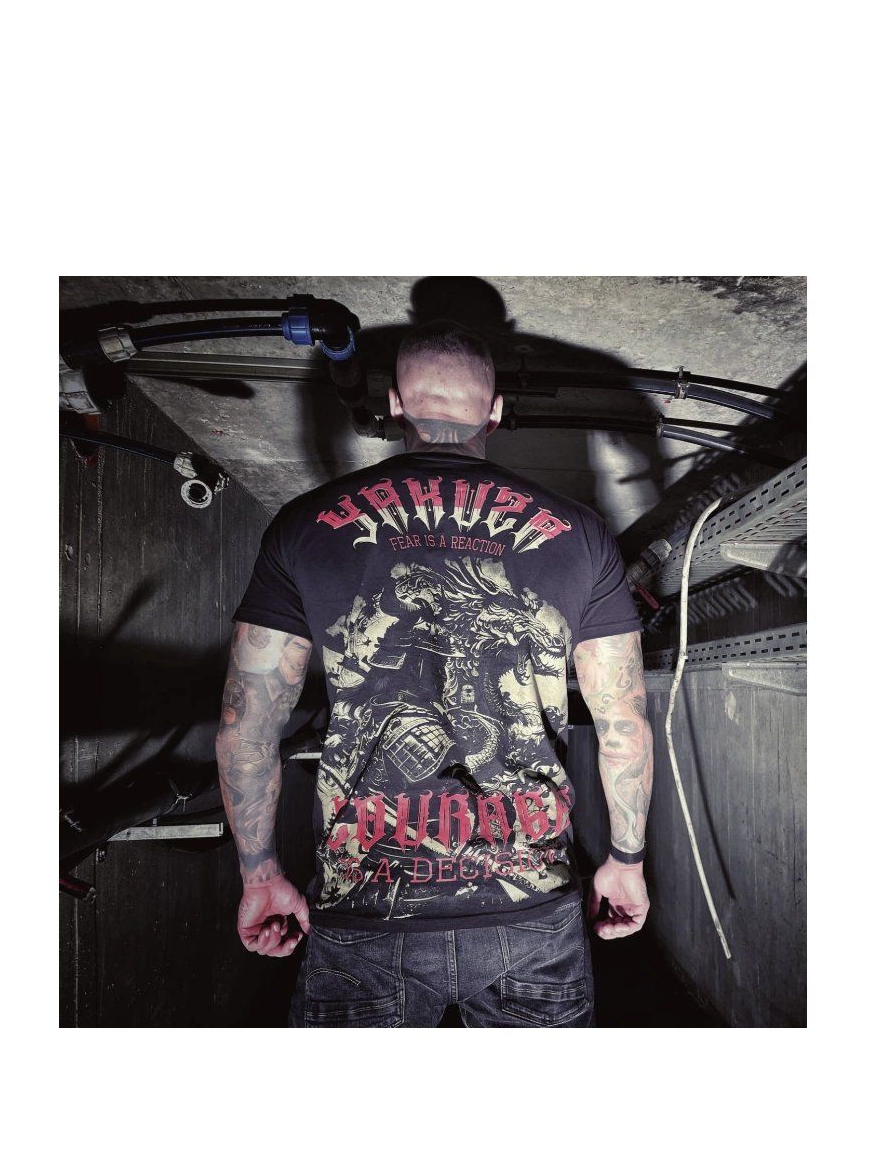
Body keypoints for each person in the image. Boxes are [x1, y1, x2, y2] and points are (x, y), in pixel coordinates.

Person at [216, 322, 654, 1027]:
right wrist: (625, 859)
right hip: (530, 905)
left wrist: (260, 872)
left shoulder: (303, 526)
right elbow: (623, 725)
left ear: (395, 404)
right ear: (496, 411)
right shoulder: (581, 535)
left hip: (364, 905)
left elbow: (248, 727)